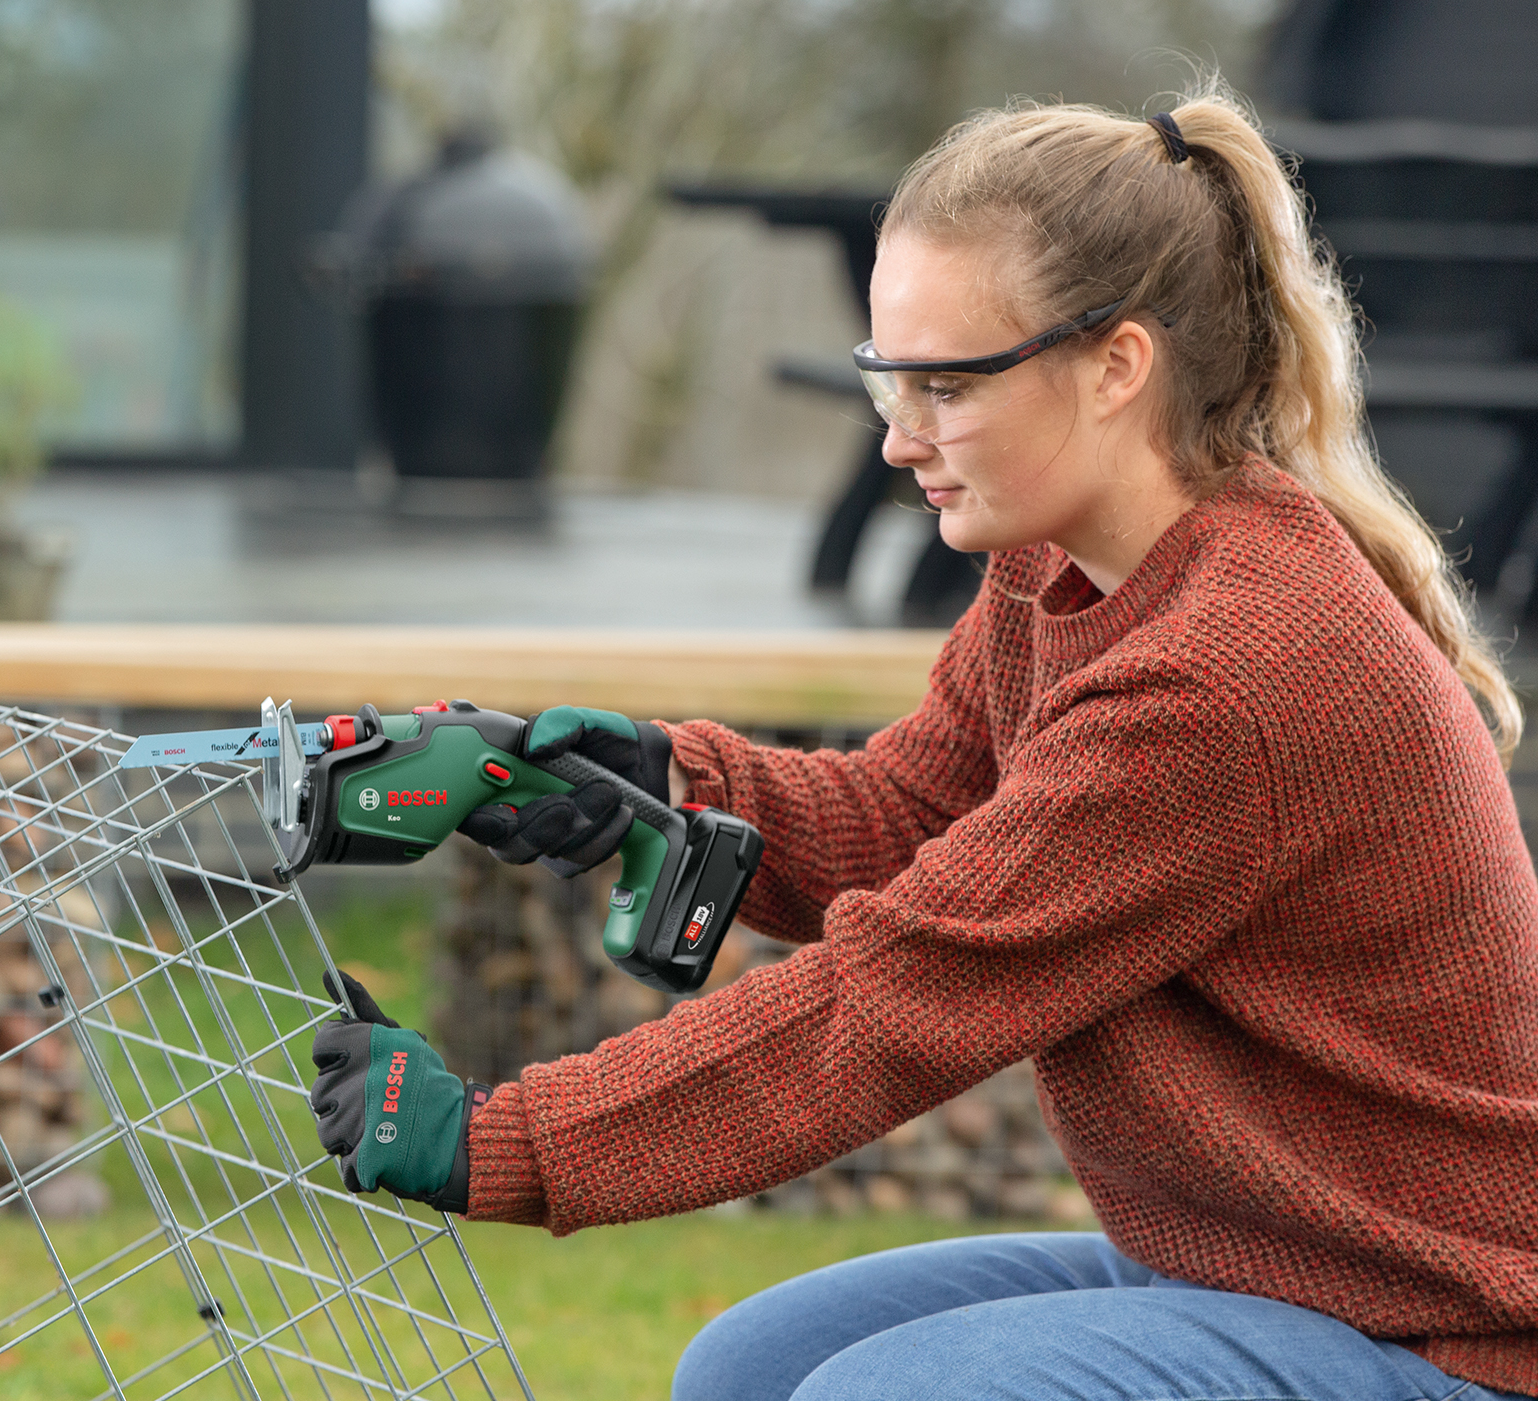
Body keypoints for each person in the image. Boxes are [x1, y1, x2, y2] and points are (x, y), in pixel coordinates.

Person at [306, 86, 1538, 1401]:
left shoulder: (1225, 681)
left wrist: (501, 1142)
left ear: (1116, 365)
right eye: (886, 380)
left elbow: (892, 1002)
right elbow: (909, 817)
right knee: (747, 1366)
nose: (900, 439)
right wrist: (657, 786)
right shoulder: (1056, 566)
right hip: (1262, 1267)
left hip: (1438, 1327)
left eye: (947, 386)